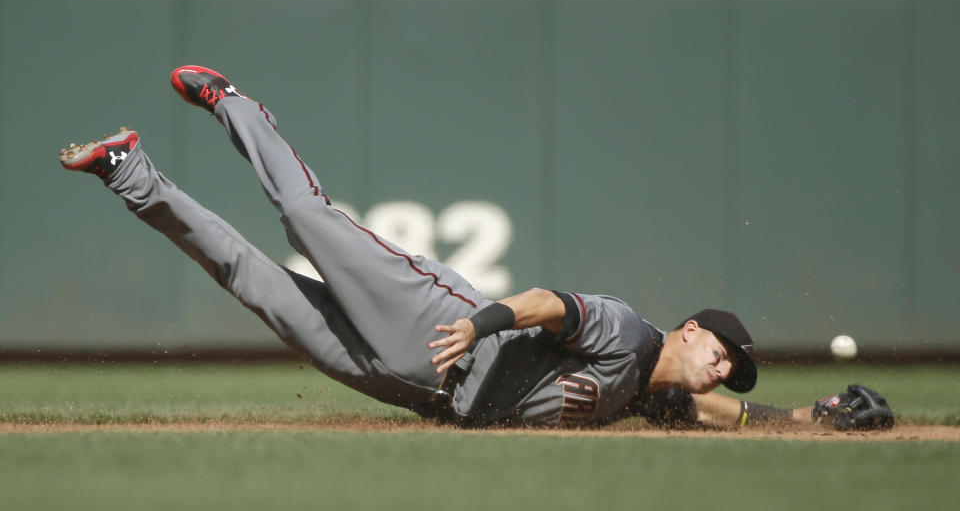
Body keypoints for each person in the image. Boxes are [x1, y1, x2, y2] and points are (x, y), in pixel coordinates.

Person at [59, 66, 893, 431]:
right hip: (436, 321)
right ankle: (233, 103)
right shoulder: (630, 334)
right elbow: (547, 303)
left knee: (248, 280)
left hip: (413, 386)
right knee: (306, 222)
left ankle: (129, 170)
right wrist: (482, 324)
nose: (725, 369)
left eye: (733, 367)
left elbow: (728, 417)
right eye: (724, 353)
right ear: (692, 329)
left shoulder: (649, 395)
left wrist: (810, 419)